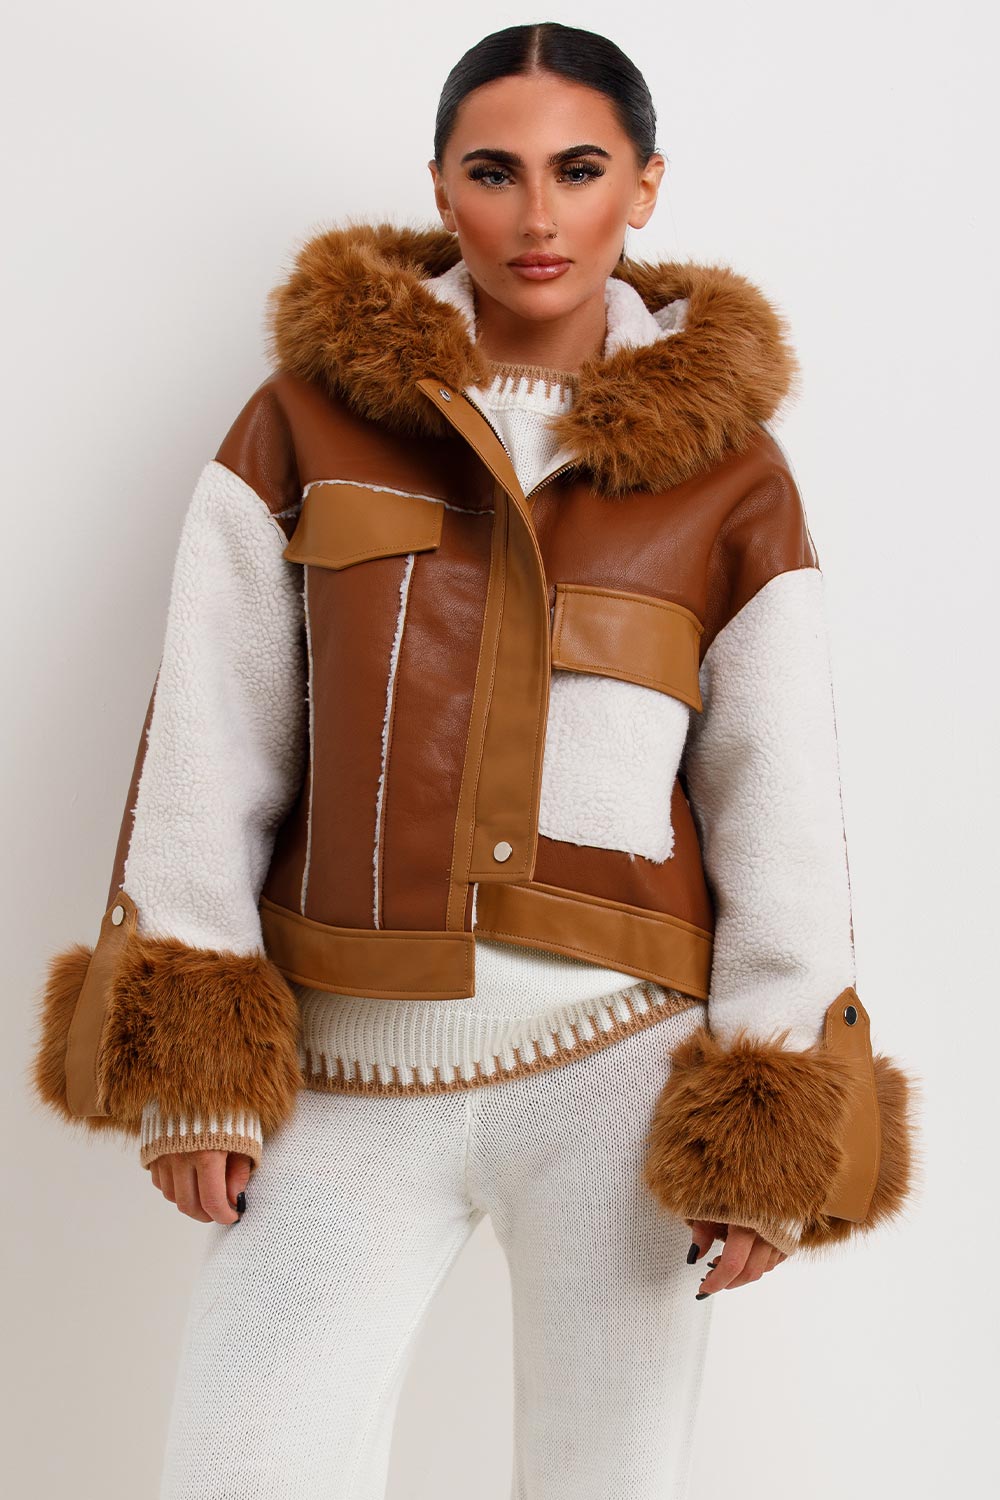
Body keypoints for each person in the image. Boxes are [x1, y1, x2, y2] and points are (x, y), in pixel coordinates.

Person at [28, 21, 918, 1499]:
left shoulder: (733, 474)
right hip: (345, 1058)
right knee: (243, 1466)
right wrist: (196, 1064)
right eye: (495, 172)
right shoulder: (304, 419)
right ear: (442, 187)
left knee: (606, 1481)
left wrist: (771, 1111)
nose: (537, 213)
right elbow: (210, 736)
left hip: (621, 1072)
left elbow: (781, 801)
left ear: (644, 186)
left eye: (581, 169)